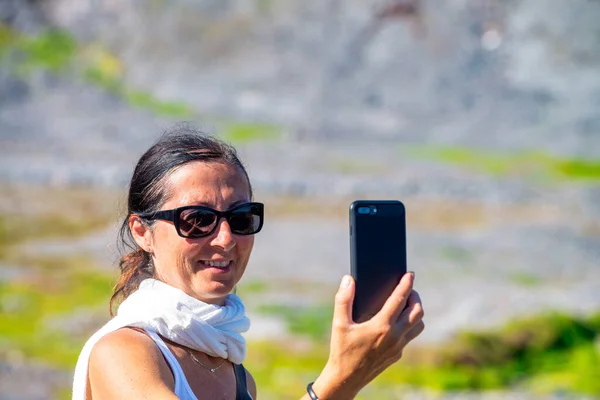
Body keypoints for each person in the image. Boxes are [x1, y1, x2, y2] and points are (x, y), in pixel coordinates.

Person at [72, 125, 425, 400]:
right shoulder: (123, 353)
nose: (225, 239)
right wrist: (343, 376)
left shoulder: (236, 374)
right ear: (142, 231)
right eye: (196, 219)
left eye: (240, 218)